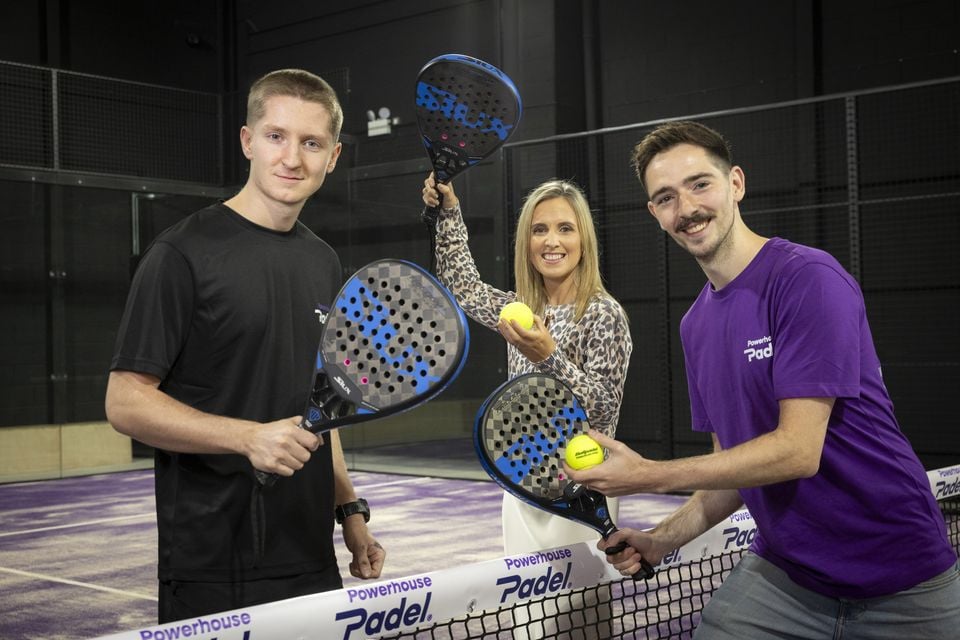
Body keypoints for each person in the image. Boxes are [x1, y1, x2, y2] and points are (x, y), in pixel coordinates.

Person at [566, 120, 960, 639]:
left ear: (736, 184)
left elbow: (798, 451)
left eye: (699, 184)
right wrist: (662, 539)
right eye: (666, 198)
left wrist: (646, 474)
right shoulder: (695, 327)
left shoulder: (807, 279)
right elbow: (728, 474)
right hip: (787, 577)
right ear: (654, 214)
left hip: (904, 576)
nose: (686, 209)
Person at [105, 69, 385, 623]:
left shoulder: (323, 261)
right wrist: (247, 438)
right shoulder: (181, 254)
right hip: (213, 562)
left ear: (332, 157)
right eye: (276, 136)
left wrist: (347, 507)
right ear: (247, 141)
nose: (292, 158)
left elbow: (320, 403)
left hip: (308, 556)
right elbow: (125, 402)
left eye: (311, 143)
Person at [422, 175, 632, 638]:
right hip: (521, 489)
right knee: (528, 626)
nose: (551, 241)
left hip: (582, 492)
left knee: (579, 626)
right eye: (539, 230)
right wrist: (449, 213)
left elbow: (602, 411)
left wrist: (548, 356)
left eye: (565, 228)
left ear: (584, 241)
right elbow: (464, 288)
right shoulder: (520, 308)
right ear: (526, 241)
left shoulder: (603, 313)